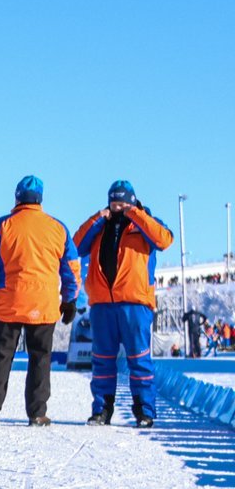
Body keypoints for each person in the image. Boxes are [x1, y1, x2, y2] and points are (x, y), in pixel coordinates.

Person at [0, 176, 79, 427]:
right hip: (44, 305)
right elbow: (71, 269)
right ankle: (37, 413)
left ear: (17, 197)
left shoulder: (1, 226)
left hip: (9, 304)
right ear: (40, 199)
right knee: (41, 358)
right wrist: (69, 300)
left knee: (0, 358)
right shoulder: (58, 228)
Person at [72, 180, 171, 426]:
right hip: (103, 304)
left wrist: (136, 214)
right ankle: (101, 410)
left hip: (135, 304)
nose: (119, 208)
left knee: (139, 359)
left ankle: (144, 411)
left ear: (133, 202)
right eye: (115, 203)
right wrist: (97, 218)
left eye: (124, 203)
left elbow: (164, 240)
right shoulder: (100, 226)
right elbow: (75, 246)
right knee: (102, 360)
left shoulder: (145, 223)